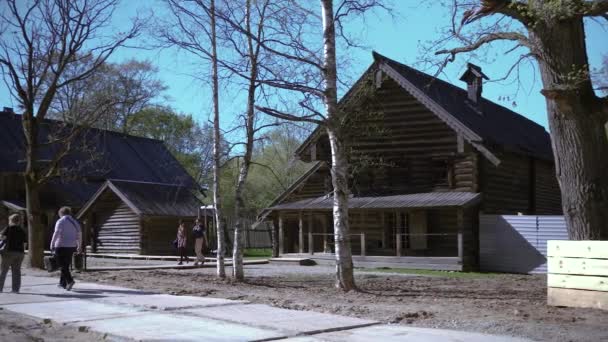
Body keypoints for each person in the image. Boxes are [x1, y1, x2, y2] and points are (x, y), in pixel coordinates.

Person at [50, 207, 82, 291]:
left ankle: (70, 280)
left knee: (61, 265)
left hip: (60, 245)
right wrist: (79, 245)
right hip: (71, 246)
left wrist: (52, 243)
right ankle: (62, 283)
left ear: (60, 213)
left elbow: (56, 233)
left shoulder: (60, 221)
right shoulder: (75, 222)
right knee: (66, 265)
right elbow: (79, 235)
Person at [0, 214, 27, 293]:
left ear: (10, 220)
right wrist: (22, 251)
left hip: (9, 252)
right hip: (20, 253)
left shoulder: (8, 228)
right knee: (16, 271)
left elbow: (2, 238)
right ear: (18, 221)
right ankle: (15, 289)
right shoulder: (22, 230)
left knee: (3, 270)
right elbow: (25, 243)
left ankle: (0, 288)